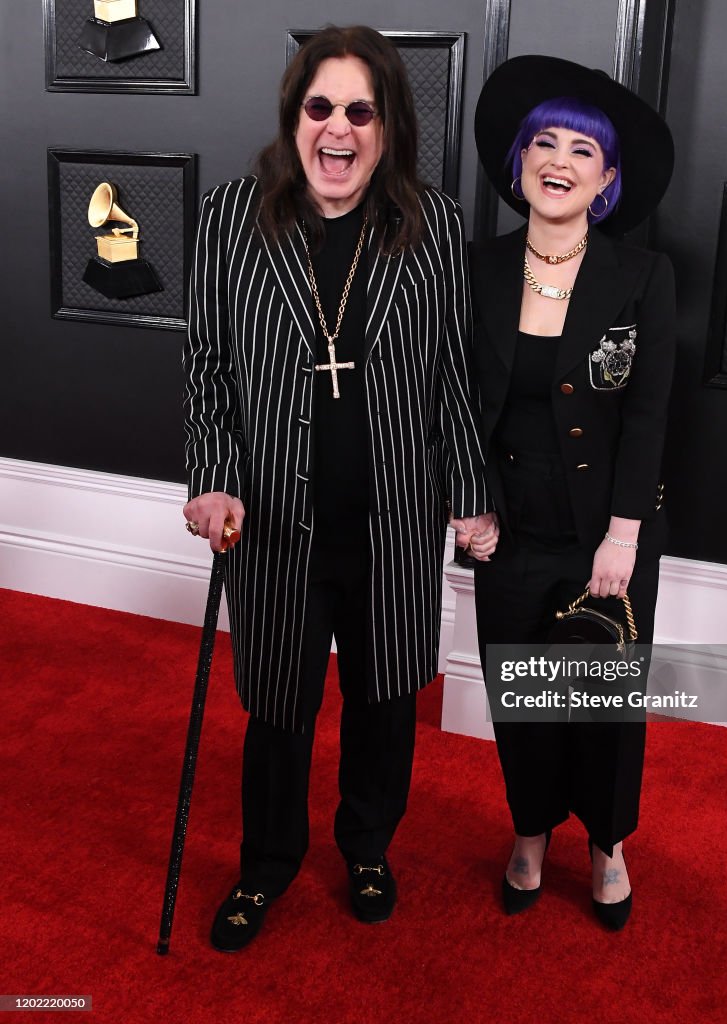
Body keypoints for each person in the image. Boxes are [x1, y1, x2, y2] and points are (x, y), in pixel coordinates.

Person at [182, 24, 497, 952]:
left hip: (393, 514)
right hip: (274, 516)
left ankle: (366, 844)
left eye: (361, 110)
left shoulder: (432, 224)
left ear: (389, 126)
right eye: (321, 107)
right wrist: (212, 479)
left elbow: (450, 374)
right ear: (294, 118)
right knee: (279, 704)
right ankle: (267, 864)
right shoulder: (233, 217)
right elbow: (205, 365)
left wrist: (469, 492)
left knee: (384, 699)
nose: (339, 129)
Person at [468, 55, 676, 929]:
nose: (559, 158)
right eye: (543, 142)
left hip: (606, 533)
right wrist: (465, 502)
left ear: (608, 180)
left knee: (600, 697)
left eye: (583, 149)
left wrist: (623, 534)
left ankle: (606, 843)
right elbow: (446, 400)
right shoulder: (474, 269)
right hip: (507, 529)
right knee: (520, 687)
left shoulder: (642, 276)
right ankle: (529, 831)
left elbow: (650, 415)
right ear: (519, 164)